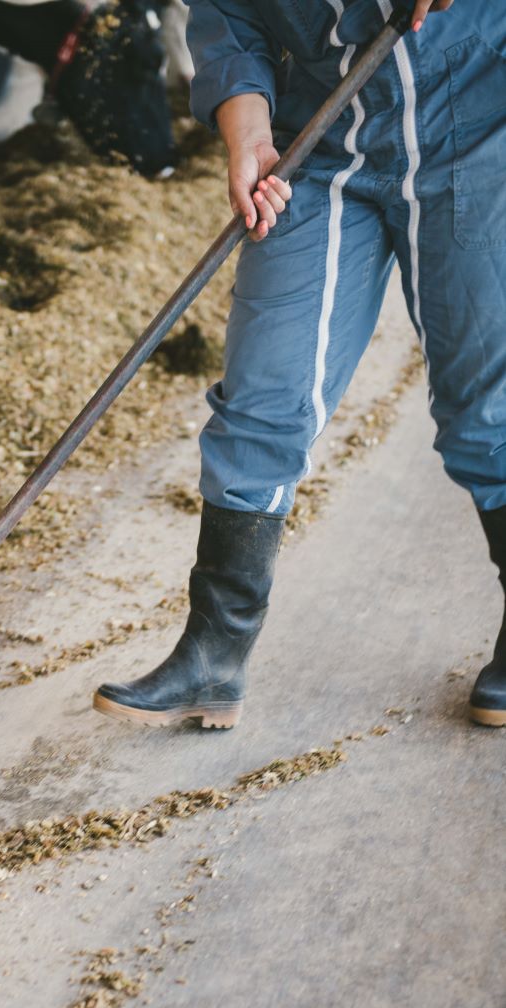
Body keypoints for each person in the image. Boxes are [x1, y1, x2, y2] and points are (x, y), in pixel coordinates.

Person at [94, 0, 506, 731]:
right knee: (262, 395)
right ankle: (213, 654)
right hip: (319, 147)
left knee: (488, 408)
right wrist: (247, 135)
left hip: (476, 129)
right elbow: (229, 15)